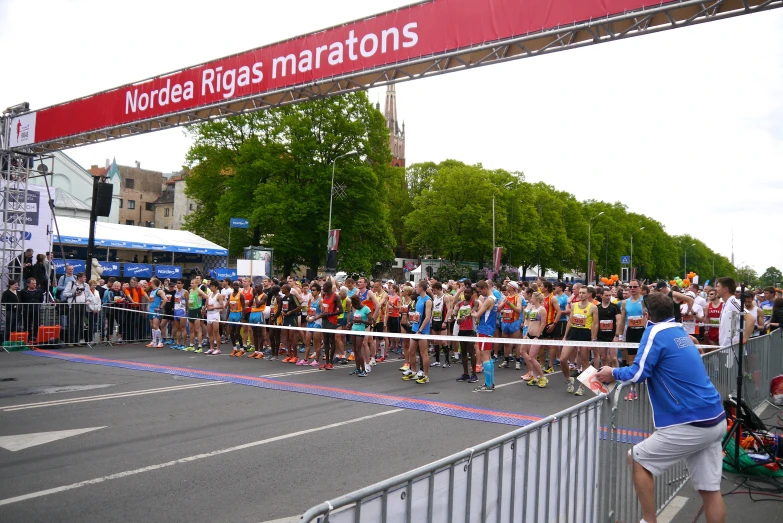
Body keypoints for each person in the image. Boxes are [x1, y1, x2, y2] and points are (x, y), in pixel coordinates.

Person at [595, 292, 726, 523]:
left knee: (637, 459)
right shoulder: (678, 330)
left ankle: (648, 520)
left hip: (690, 420)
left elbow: (637, 372)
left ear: (646, 314)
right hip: (714, 416)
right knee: (710, 491)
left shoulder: (654, 331)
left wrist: (612, 372)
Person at [560, 286, 599, 396]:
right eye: (580, 293)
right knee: (563, 359)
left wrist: (593, 339)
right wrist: (565, 336)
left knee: (584, 361)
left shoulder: (593, 307)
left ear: (588, 294)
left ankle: (582, 386)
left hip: (585, 333)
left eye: (583, 293)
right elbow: (570, 321)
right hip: (573, 332)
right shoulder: (574, 305)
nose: (580, 294)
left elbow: (596, 324)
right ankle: (568, 380)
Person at [403, 279, 432, 384]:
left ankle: (426, 375)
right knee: (411, 351)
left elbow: (427, 317)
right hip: (414, 328)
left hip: (422, 330)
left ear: (421, 288)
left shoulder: (428, 300)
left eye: (417, 287)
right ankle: (414, 372)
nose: (415, 288)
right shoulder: (419, 298)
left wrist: (420, 330)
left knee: (423, 353)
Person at [471, 280, 497, 392]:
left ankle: (488, 384)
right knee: (488, 356)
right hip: (489, 329)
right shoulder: (494, 298)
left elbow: (478, 314)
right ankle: (490, 383)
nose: (480, 293)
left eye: (480, 290)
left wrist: (472, 313)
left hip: (484, 329)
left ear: (485, 288)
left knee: (485, 356)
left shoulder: (489, 300)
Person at [521, 291, 548, 388]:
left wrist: (538, 335)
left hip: (537, 337)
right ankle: (535, 377)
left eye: (532, 297)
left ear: (536, 298)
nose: (530, 299)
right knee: (523, 351)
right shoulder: (532, 309)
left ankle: (543, 377)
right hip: (529, 335)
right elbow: (529, 322)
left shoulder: (542, 309)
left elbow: (543, 323)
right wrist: (526, 334)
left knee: (531, 358)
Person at [348, 294, 372, 376]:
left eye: (354, 305)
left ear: (357, 303)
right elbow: (355, 320)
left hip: (360, 331)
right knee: (355, 351)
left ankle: (364, 370)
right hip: (354, 330)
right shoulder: (357, 310)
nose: (354, 307)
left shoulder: (366, 309)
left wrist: (361, 321)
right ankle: (357, 368)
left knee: (358, 351)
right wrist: (351, 323)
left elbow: (370, 322)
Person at [62, 272, 89, 345]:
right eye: (84, 277)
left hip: (83, 305)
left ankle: (77, 341)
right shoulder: (72, 284)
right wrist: (74, 294)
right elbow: (64, 293)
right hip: (73, 305)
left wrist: (88, 300)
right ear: (79, 278)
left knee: (80, 324)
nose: (85, 278)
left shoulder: (86, 285)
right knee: (72, 324)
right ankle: (70, 341)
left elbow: (88, 295)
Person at [20, 277, 43, 342]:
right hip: (27, 310)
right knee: (27, 324)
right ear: (28, 284)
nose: (34, 285)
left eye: (35, 283)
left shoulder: (39, 291)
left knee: (37, 324)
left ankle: (36, 338)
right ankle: (27, 338)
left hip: (36, 310)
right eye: (33, 283)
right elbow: (21, 300)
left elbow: (41, 299)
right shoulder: (23, 291)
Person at [204, 280, 225, 355]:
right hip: (209, 314)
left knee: (216, 332)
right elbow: (206, 303)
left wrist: (213, 308)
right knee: (209, 332)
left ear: (216, 287)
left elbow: (222, 306)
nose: (211, 287)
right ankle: (211, 348)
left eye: (213, 286)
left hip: (215, 314)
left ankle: (218, 349)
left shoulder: (219, 295)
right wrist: (204, 308)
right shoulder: (209, 294)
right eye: (211, 286)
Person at [145, 279, 167, 348]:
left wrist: (160, 307)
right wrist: (148, 307)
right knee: (152, 326)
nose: (150, 284)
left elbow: (165, 299)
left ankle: (160, 342)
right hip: (151, 310)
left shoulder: (159, 291)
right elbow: (150, 300)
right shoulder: (152, 291)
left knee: (155, 325)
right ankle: (154, 341)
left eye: (151, 282)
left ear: (154, 283)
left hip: (156, 310)